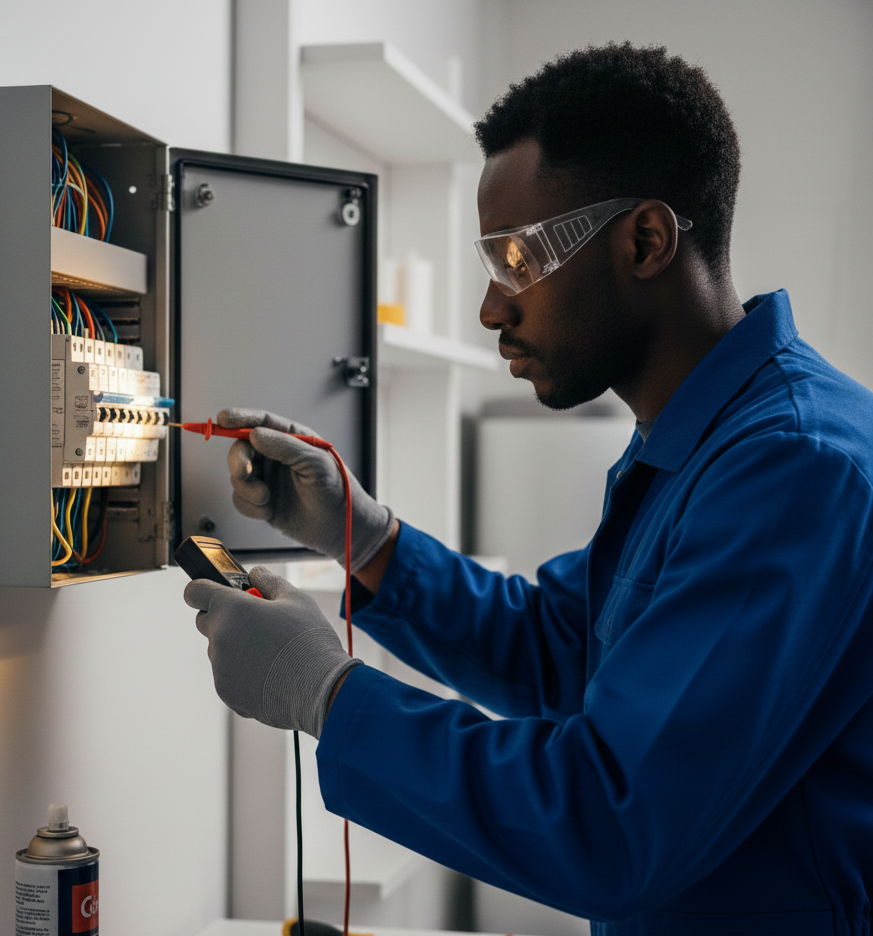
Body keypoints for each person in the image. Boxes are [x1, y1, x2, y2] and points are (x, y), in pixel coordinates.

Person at [184, 42, 873, 934]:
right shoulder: (701, 440)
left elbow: (612, 820)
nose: (491, 308)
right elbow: (566, 649)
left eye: (519, 258)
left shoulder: (793, 469)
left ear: (647, 240)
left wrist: (325, 692)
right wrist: (366, 538)